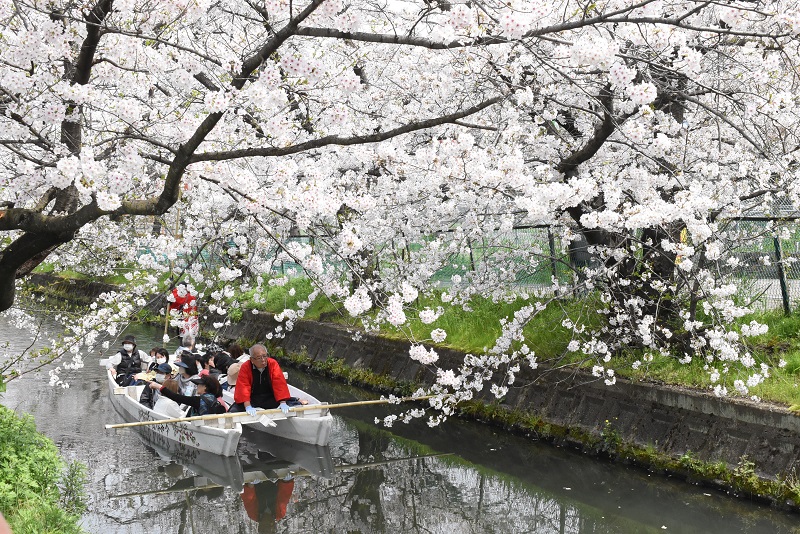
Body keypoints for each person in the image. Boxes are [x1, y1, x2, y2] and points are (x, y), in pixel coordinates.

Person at [231, 344, 291, 416]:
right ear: (252, 359)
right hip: (252, 399)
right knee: (233, 411)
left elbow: (279, 383)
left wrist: (282, 402)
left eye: (265, 356)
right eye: (259, 358)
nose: (263, 360)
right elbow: (244, 387)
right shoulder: (245, 367)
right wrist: (247, 406)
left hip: (270, 397)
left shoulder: (272, 363)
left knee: (291, 404)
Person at [149, 375, 226, 417]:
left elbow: (175, 397)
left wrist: (158, 386)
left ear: (205, 387)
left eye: (199, 384)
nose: (197, 386)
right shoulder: (215, 400)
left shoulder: (198, 400)